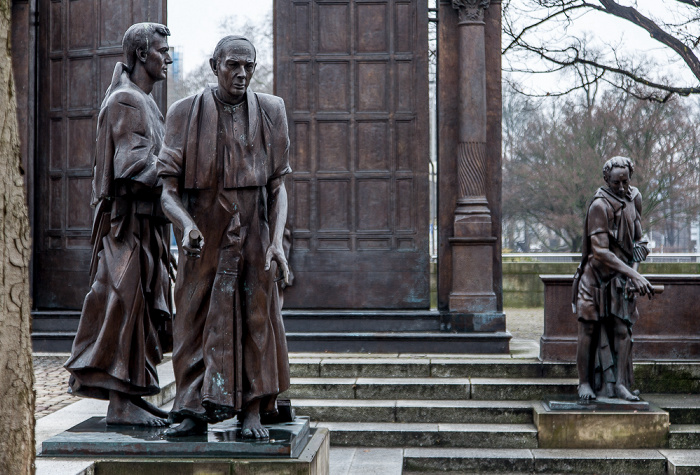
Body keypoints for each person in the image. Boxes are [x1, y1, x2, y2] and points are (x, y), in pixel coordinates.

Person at [157, 36, 291, 438]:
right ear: (215, 65)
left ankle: (253, 408)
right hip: (204, 231)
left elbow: (278, 186)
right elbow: (167, 191)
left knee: (256, 318)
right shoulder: (183, 113)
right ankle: (191, 408)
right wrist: (186, 225)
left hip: (253, 229)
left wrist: (276, 242)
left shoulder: (271, 110)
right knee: (192, 319)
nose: (242, 74)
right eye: (233, 65)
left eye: (248, 66)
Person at [64, 23, 173, 426]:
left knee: (141, 309)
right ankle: (119, 404)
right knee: (121, 305)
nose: (170, 57)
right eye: (163, 50)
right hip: (124, 227)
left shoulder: (145, 101)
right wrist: (181, 175)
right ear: (142, 55)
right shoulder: (127, 101)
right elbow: (133, 166)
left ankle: (133, 394)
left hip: (147, 227)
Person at [573, 156, 654, 402]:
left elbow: (639, 241)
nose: (621, 188)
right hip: (594, 278)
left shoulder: (634, 198)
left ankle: (620, 384)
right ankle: (584, 383)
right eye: (616, 183)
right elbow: (600, 251)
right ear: (606, 179)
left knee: (623, 330)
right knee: (588, 329)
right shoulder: (599, 206)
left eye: (625, 182)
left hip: (620, 278)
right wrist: (633, 274)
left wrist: (633, 273)